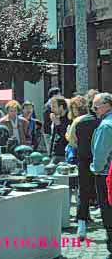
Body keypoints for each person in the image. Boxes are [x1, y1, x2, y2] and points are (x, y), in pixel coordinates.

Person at [90, 92, 112, 258]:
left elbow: (100, 155)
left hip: (106, 175)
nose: (93, 110)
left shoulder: (105, 126)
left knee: (108, 211)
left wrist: (96, 169)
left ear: (106, 106)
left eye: (96, 107)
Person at [75, 95, 99, 240]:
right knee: (102, 193)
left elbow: (73, 141)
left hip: (83, 161)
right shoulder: (103, 122)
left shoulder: (80, 122)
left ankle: (82, 224)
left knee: (83, 192)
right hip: (100, 161)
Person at [49, 96, 69, 164]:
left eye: (54, 107)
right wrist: (50, 153)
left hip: (65, 154)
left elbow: (67, 136)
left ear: (61, 107)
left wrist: (58, 124)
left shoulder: (69, 118)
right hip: (55, 154)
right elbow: (54, 136)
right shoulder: (57, 118)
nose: (52, 110)